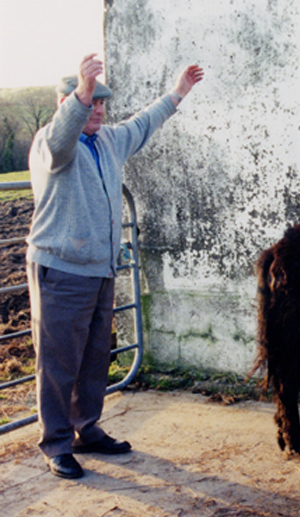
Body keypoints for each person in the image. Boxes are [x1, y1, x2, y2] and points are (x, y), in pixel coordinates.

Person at [26, 54, 204, 479]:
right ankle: (56, 444)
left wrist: (178, 92)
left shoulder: (107, 140)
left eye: (103, 103)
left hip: (100, 269)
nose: (99, 110)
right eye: (91, 102)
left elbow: (143, 123)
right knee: (57, 363)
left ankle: (86, 429)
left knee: (93, 358)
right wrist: (81, 96)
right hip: (62, 270)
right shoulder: (52, 142)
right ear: (68, 103)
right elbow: (62, 138)